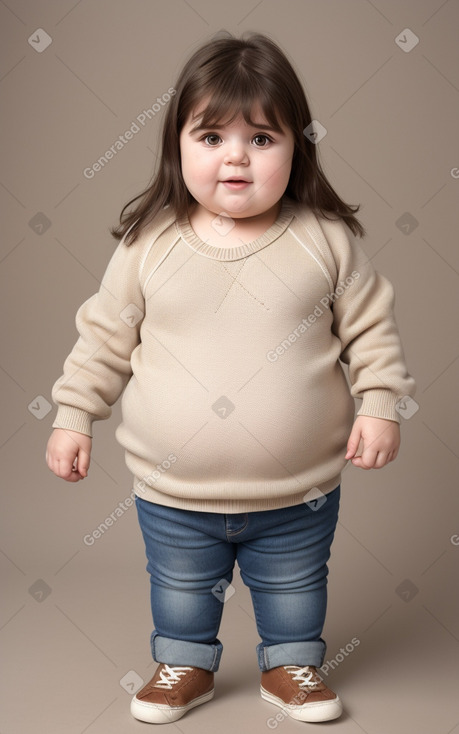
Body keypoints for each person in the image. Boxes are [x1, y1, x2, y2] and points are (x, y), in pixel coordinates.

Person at [46, 32, 416, 725]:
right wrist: (72, 416)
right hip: (173, 487)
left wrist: (380, 404)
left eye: (262, 139)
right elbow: (102, 339)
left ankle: (292, 665)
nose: (236, 157)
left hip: (298, 486)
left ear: (297, 147)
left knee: (296, 585)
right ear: (177, 146)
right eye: (211, 137)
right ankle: (184, 663)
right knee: (182, 588)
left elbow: (371, 331)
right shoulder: (149, 245)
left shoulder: (324, 240)